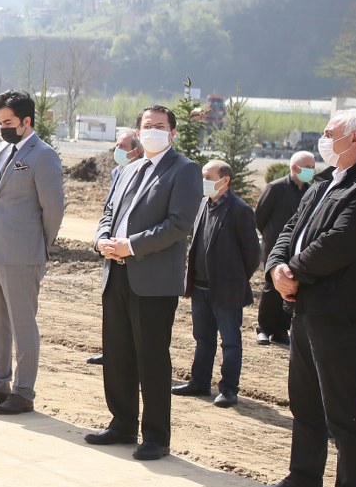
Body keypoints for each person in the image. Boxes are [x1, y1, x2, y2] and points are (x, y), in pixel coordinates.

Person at [254, 109, 356, 487]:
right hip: (307, 307)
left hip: (344, 312)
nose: (323, 139)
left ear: (355, 139)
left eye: (329, 133)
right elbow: (290, 229)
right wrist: (276, 268)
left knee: (344, 408)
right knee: (305, 400)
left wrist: (294, 272)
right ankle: (304, 479)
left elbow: (341, 242)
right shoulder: (325, 180)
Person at [86, 104, 199, 458]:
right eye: (148, 125)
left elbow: (178, 224)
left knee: (151, 358)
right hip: (116, 272)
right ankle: (121, 424)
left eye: (161, 126)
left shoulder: (184, 170)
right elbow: (109, 212)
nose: (153, 130)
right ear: (137, 132)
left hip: (153, 279)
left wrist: (131, 246)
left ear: (173, 133)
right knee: (117, 352)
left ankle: (155, 436)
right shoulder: (127, 170)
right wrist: (102, 240)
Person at [0, 90, 65, 415]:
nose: (2, 127)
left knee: (22, 325)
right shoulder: (3, 153)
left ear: (26, 121)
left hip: (23, 254)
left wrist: (39, 246)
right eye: (0, 122)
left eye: (8, 122)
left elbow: (53, 209)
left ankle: (24, 391)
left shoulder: (43, 156)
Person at [174, 159, 261, 408]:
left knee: (230, 342)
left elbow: (252, 255)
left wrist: (234, 278)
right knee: (203, 339)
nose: (204, 182)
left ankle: (228, 390)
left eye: (209, 178)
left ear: (225, 180)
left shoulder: (239, 210)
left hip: (226, 290)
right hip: (200, 288)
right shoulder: (203, 204)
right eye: (203, 177)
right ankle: (199, 382)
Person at [87, 129, 145, 365]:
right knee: (112, 310)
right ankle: (112, 352)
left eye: (122, 146)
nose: (117, 150)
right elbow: (110, 208)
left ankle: (131, 357)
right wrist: (103, 237)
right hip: (111, 248)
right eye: (117, 145)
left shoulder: (143, 175)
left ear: (136, 151)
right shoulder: (117, 172)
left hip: (130, 252)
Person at [253, 151, 315, 346]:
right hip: (275, 247)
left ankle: (281, 330)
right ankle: (264, 328)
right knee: (272, 287)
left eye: (313, 167)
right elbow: (260, 217)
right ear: (295, 168)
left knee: (292, 287)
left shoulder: (311, 191)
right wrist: (271, 236)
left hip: (299, 249)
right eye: (308, 167)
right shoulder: (275, 188)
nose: (312, 171)